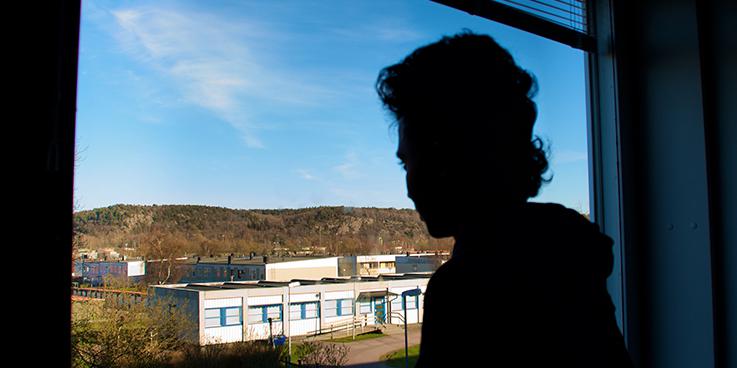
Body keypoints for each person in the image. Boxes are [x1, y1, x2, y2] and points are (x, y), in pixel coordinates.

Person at [376, 31, 633, 367]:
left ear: (454, 159)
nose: (409, 188)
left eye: (411, 161)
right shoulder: (567, 255)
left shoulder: (464, 291)